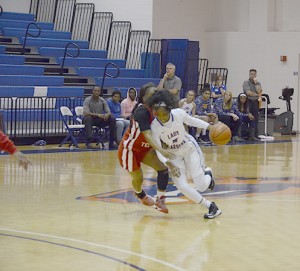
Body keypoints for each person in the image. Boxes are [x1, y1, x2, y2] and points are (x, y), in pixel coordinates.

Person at [150, 90, 222, 219]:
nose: (161, 117)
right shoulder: (154, 126)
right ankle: (211, 206)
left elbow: (193, 121)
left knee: (201, 186)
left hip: (189, 148)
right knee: (182, 186)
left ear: (169, 109)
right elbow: (158, 149)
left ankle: (208, 175)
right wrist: (169, 163)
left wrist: (210, 127)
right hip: (173, 156)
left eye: (164, 114)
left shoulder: (178, 114)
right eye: (158, 114)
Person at [117, 83, 179, 214]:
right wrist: (161, 150)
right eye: (152, 94)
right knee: (139, 177)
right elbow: (148, 135)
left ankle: (160, 200)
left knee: (163, 169)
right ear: (144, 98)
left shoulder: (158, 109)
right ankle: (140, 194)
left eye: (156, 93)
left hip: (145, 148)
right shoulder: (142, 111)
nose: (155, 96)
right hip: (130, 149)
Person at [242, 69, 262, 139]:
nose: (252, 75)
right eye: (251, 74)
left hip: (255, 102)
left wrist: (256, 84)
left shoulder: (258, 83)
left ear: (256, 75)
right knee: (247, 117)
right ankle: (246, 134)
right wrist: (257, 95)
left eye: (254, 74)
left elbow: (259, 91)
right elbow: (248, 92)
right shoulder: (246, 82)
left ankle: (254, 135)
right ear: (249, 74)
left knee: (255, 118)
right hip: (248, 102)